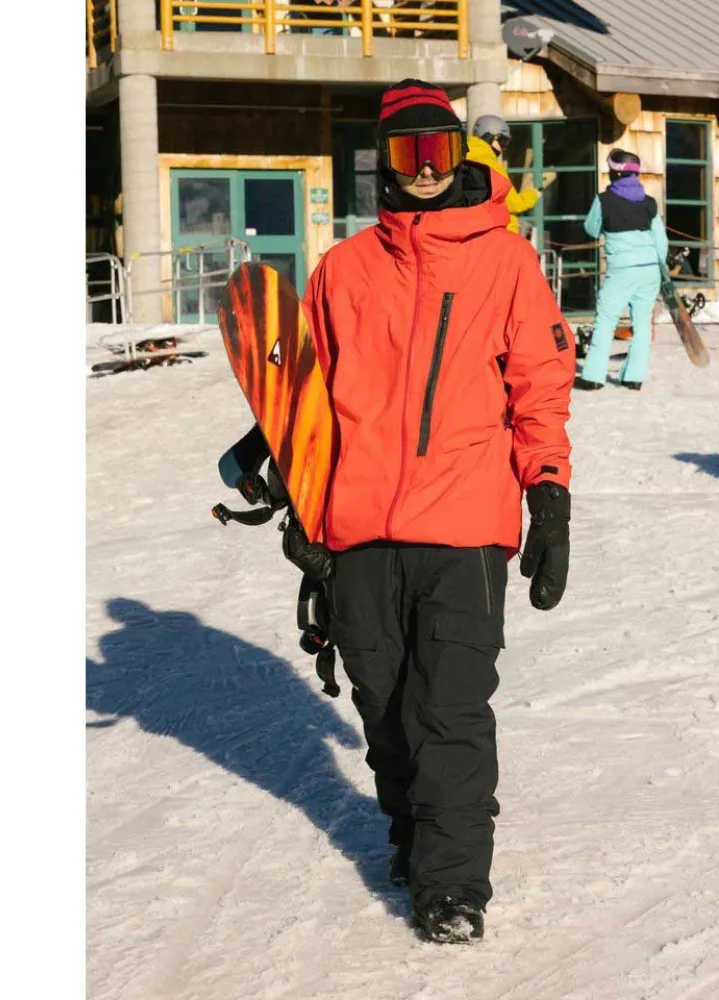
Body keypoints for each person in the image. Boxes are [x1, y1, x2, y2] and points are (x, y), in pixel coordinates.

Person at [281, 80, 576, 943]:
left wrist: (548, 493)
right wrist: (301, 504)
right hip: (359, 525)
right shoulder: (342, 270)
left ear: (459, 156)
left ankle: (452, 886)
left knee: (450, 707)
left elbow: (540, 384)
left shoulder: (505, 260)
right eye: (407, 154)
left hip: (466, 522)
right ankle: (413, 834)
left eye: (438, 152)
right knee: (384, 705)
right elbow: (306, 403)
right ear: (383, 162)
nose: (423, 171)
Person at [577, 149, 669, 391]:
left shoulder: (604, 200)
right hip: (649, 269)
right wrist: (662, 271)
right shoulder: (649, 203)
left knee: (606, 319)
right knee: (642, 323)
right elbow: (661, 242)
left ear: (615, 173)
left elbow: (591, 228)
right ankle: (634, 377)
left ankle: (593, 377)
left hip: (623, 269)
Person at [464, 114, 541, 234]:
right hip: (497, 232)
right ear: (490, 137)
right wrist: (535, 194)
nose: (504, 148)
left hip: (473, 229)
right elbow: (514, 204)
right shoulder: (490, 165)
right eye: (503, 141)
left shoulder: (461, 158)